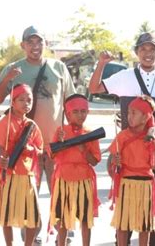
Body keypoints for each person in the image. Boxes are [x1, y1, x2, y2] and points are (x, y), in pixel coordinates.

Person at [89, 32, 155, 246]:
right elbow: (93, 89)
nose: (148, 54)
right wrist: (101, 64)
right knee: (125, 199)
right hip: (129, 151)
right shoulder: (124, 77)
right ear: (137, 52)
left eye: (152, 49)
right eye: (143, 49)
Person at [0, 25, 75, 195]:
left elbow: (71, 104)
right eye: (30, 42)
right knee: (27, 202)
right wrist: (7, 78)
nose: (35, 46)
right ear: (23, 45)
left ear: (46, 44)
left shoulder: (59, 67)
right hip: (24, 148)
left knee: (60, 199)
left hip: (55, 145)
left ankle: (57, 223)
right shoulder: (12, 69)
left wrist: (71, 134)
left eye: (39, 42)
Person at [0, 83, 44, 246]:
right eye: (21, 99)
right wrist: (2, 158)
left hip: (27, 175)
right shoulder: (5, 123)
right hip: (9, 175)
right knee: (6, 215)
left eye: (29, 100)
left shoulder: (32, 126)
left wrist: (32, 149)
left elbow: (41, 149)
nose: (26, 103)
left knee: (32, 216)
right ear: (12, 102)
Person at [109, 95, 155, 246]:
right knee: (122, 223)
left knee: (144, 225)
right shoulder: (122, 135)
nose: (129, 116)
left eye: (134, 113)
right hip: (126, 182)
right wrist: (115, 162)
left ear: (145, 117)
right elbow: (112, 163)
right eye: (129, 112)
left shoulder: (152, 137)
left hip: (145, 184)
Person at [49, 94, 101, 246]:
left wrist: (84, 150)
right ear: (67, 114)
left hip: (83, 180)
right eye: (76, 112)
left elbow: (95, 161)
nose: (80, 115)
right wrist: (58, 141)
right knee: (63, 219)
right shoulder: (61, 131)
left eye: (83, 111)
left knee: (85, 219)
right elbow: (52, 155)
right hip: (63, 179)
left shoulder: (90, 134)